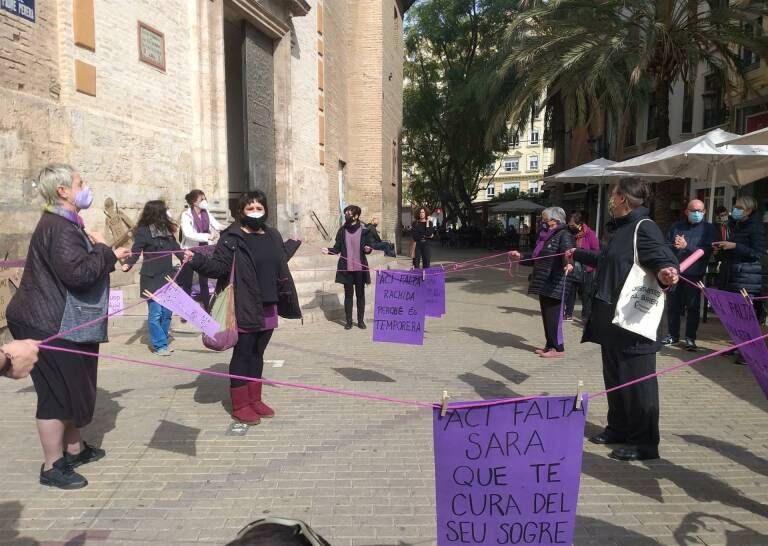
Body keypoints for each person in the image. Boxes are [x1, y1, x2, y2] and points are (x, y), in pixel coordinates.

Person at [6, 163, 131, 489]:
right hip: (45, 322)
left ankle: (74, 449)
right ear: (63, 191)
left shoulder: (67, 224)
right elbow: (77, 273)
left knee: (74, 388)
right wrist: (105, 251)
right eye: (80, 182)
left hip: (61, 319)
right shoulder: (59, 227)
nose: (85, 186)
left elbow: (80, 265)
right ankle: (52, 465)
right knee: (56, 395)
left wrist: (110, 254)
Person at [568, 178, 679, 461]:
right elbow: (610, 262)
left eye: (613, 194)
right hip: (613, 319)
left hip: (635, 321)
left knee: (638, 383)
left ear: (622, 199)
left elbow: (663, 259)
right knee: (616, 380)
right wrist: (577, 254)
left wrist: (667, 272)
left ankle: (644, 443)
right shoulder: (619, 230)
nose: (610, 199)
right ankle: (618, 428)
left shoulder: (644, 227)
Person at [186, 190, 301, 425]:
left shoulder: (272, 235)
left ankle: (254, 398)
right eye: (250, 208)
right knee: (243, 353)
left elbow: (277, 260)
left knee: (259, 353)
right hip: (244, 303)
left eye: (259, 208)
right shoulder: (231, 238)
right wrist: (196, 260)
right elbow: (218, 267)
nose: (255, 213)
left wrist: (293, 245)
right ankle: (240, 404)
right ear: (241, 212)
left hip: (269, 303)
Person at [122, 201, 186, 356]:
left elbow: (177, 250)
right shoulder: (143, 232)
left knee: (167, 313)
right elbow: (136, 252)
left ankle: (162, 340)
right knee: (155, 313)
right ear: (157, 213)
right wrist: (128, 264)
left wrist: (187, 257)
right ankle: (159, 345)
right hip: (150, 278)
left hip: (167, 278)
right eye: (163, 211)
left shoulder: (167, 231)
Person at [509, 207, 574, 358]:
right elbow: (536, 258)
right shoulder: (546, 236)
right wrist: (520, 256)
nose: (543, 222)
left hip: (556, 281)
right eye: (543, 219)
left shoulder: (564, 234)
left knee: (554, 316)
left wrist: (569, 263)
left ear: (556, 220)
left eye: (546, 219)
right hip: (543, 281)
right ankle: (550, 345)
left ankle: (558, 348)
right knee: (546, 315)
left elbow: (568, 252)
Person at [713, 195, 766, 360]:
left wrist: (735, 245)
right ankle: (736, 345)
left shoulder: (756, 227)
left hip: (747, 279)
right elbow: (734, 251)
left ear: (748, 211)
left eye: (739, 208)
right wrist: (720, 250)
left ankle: (749, 352)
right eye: (735, 207)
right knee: (734, 316)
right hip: (733, 276)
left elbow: (756, 253)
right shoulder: (736, 225)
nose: (734, 210)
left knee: (746, 317)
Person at [661, 199, 717, 351]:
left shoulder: (709, 229)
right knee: (673, 306)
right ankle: (672, 335)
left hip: (694, 274)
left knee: (692, 307)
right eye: (693, 210)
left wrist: (687, 246)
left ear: (704, 212)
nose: (696, 213)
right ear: (686, 211)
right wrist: (674, 247)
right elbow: (666, 246)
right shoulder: (676, 226)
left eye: (699, 211)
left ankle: (690, 338)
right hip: (675, 273)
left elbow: (706, 251)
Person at [323, 205, 375, 330]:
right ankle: (348, 321)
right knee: (348, 295)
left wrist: (368, 249)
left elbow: (368, 247)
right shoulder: (342, 230)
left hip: (360, 268)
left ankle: (361, 321)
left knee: (360, 295)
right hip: (346, 268)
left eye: (349, 213)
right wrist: (328, 250)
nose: (346, 215)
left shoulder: (364, 230)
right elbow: (337, 248)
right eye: (345, 213)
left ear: (356, 216)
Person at [179, 190, 223, 310]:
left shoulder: (206, 212)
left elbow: (217, 225)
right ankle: (186, 309)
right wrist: (207, 236)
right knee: (187, 282)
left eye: (205, 199)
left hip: (203, 251)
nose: (204, 202)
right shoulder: (186, 215)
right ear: (194, 202)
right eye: (201, 199)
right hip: (190, 251)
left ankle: (207, 308)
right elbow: (188, 234)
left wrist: (227, 228)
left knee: (204, 281)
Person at [564, 212, 600, 323]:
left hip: (586, 268)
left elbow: (596, 251)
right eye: (569, 225)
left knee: (586, 293)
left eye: (573, 225)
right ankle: (568, 314)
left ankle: (585, 316)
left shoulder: (590, 234)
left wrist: (581, 252)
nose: (571, 227)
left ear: (580, 224)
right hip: (572, 266)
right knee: (570, 292)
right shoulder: (568, 234)